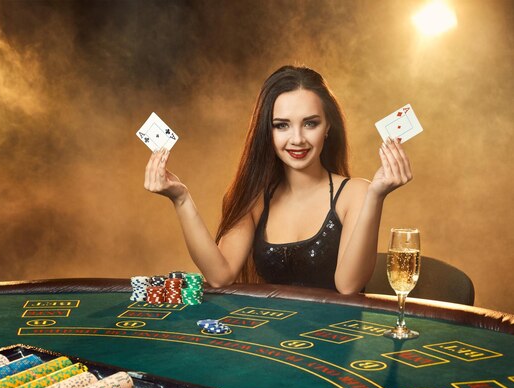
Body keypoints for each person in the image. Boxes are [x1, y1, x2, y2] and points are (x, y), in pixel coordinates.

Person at [144, 65, 412, 293]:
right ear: (267, 132)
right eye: (282, 125)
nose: (297, 138)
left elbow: (348, 286)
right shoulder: (256, 199)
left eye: (310, 123)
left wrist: (377, 195)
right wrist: (181, 199)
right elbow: (220, 275)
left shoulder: (356, 193)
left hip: (335, 345)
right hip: (268, 346)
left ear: (328, 126)